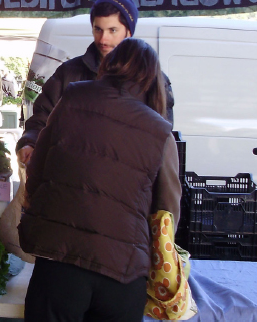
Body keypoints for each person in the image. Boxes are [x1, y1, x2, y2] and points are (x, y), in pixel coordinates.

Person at [18, 38, 182, 322]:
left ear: (109, 65)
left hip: (59, 262)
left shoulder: (73, 98)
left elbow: (38, 169)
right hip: (123, 274)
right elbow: (167, 212)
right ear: (152, 79)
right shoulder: (160, 131)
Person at [15, 0, 174, 165]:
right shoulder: (69, 73)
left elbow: (162, 138)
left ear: (128, 32)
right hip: (74, 176)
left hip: (129, 182)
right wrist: (29, 142)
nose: (103, 39)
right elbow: (41, 117)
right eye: (98, 29)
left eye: (112, 30)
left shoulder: (152, 80)